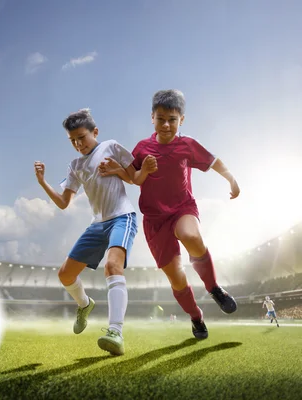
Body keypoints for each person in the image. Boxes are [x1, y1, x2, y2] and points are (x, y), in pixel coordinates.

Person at [99, 89, 240, 340]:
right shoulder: (142, 148)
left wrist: (231, 179)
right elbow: (132, 177)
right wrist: (115, 169)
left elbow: (213, 161)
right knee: (176, 278)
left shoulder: (187, 145)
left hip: (182, 208)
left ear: (181, 120)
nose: (166, 124)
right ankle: (196, 316)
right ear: (152, 117)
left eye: (172, 119)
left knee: (191, 236)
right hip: (155, 221)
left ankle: (214, 288)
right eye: (161, 118)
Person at [35, 108, 138, 356]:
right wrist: (42, 182)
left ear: (95, 132)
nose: (78, 144)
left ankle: (115, 332)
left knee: (113, 266)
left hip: (122, 217)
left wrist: (116, 170)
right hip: (97, 224)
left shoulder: (112, 147)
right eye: (72, 141)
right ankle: (84, 304)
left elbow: (135, 177)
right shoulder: (75, 165)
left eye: (81, 137)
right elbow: (63, 202)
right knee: (65, 275)